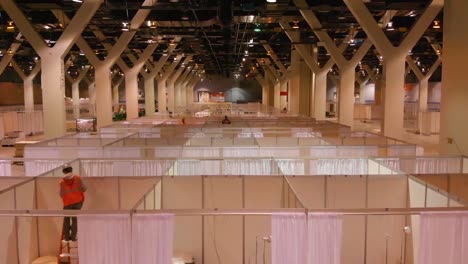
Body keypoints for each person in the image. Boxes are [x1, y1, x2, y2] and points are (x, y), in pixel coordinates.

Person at [60, 164, 87, 242]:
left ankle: (66, 237)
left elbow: (61, 194)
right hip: (78, 202)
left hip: (67, 203)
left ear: (63, 171)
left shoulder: (61, 182)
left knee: (66, 219)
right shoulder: (78, 178)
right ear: (71, 169)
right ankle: (73, 237)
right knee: (75, 219)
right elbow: (84, 189)